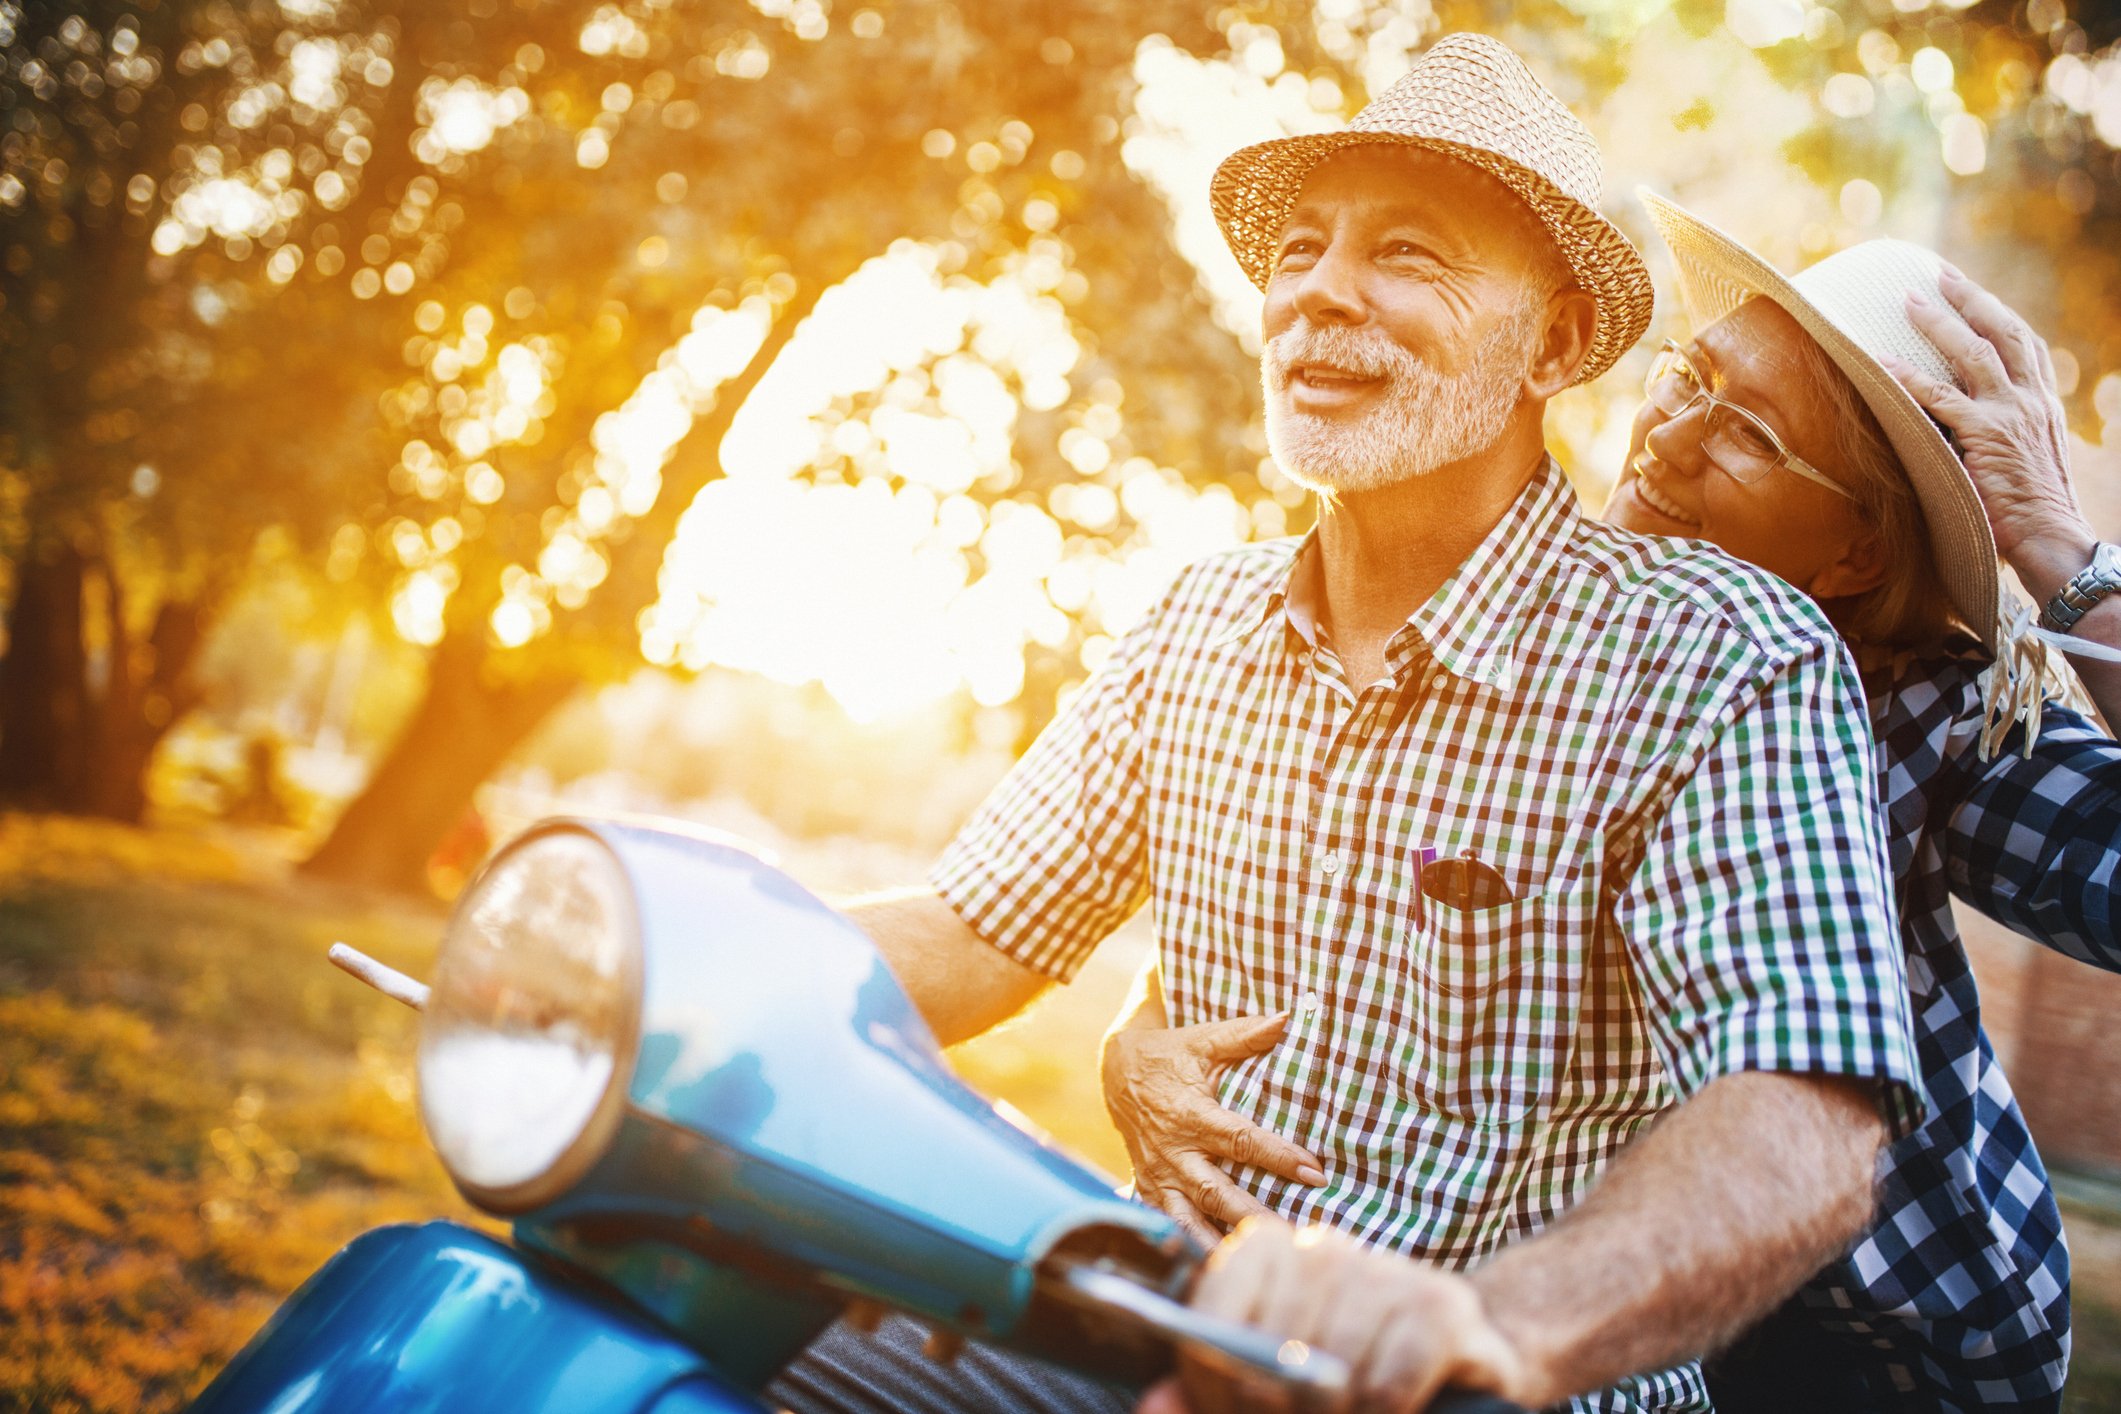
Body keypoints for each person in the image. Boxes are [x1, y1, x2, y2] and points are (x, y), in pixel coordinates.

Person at [772, 34, 1925, 1414]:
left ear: (1553, 340)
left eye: (1406, 254)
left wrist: (1478, 1324)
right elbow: (970, 933)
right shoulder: (1196, 622)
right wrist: (656, 951)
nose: (1320, 290)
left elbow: (1800, 1109)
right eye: (1301, 249)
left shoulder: (1716, 655)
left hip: (1496, 1388)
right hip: (1162, 1348)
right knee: (657, 1338)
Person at [1102, 193, 2121, 1411]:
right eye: (1691, 377)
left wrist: (2067, 561)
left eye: (1754, 435)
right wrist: (1141, 1030)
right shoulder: (1551, 639)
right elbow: (1322, 885)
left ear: (1853, 555)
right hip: (1612, 1290)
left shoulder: (1925, 712)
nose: (1674, 438)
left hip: (1867, 1338)